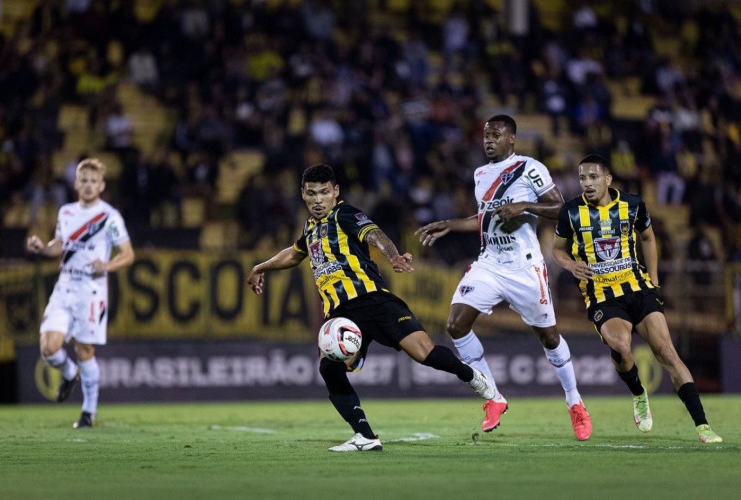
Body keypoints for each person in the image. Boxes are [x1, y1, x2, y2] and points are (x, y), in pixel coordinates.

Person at [246, 164, 496, 452]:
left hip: (372, 300)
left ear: (335, 192)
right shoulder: (310, 227)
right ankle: (365, 435)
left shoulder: (345, 214)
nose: (318, 199)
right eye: (312, 193)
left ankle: (474, 378)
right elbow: (294, 253)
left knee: (424, 353)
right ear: (303, 193)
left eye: (324, 192)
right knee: (329, 369)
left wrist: (392, 256)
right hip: (340, 314)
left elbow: (374, 234)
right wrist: (260, 266)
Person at [416, 114, 592, 441]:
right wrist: (450, 224)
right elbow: (484, 218)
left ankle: (575, 402)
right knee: (455, 324)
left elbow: (563, 209)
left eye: (495, 135)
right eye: (485, 135)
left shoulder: (530, 168)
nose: (488, 140)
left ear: (511, 139)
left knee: (549, 338)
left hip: (525, 268)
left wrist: (524, 205)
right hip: (491, 263)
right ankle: (493, 397)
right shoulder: (480, 174)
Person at [551, 153, 723, 444]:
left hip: (638, 287)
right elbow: (557, 249)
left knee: (667, 353)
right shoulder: (570, 211)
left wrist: (654, 280)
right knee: (620, 344)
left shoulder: (632, 204)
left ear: (608, 179)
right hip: (602, 295)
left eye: (593, 177)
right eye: (582, 178)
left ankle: (703, 425)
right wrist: (570, 265)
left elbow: (649, 238)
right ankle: (638, 392)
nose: (587, 183)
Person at [26, 157, 134, 429]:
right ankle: (69, 372)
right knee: (48, 348)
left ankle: (88, 412)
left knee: (84, 349)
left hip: (91, 290)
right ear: (76, 183)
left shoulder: (109, 217)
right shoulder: (66, 212)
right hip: (65, 286)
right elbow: (59, 247)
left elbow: (129, 255)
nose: (87, 185)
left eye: (93, 181)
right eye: (83, 180)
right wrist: (43, 248)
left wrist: (107, 265)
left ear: (102, 185)